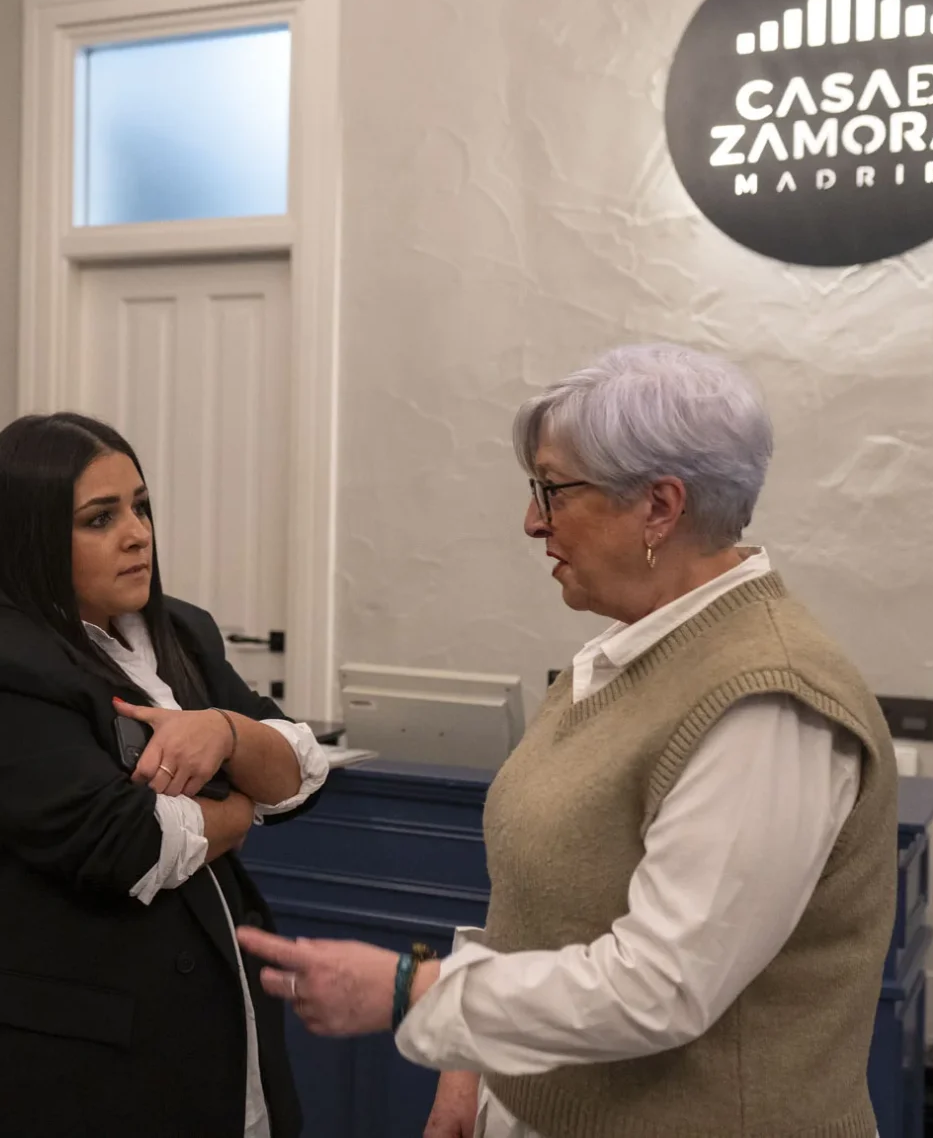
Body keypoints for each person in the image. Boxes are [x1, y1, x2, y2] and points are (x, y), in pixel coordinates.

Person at [239, 344, 898, 1138]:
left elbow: (661, 985)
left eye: (551, 489)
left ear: (658, 506)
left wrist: (409, 991)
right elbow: (546, 904)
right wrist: (473, 1063)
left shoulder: (766, 701)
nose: (531, 521)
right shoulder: (629, 653)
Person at [0, 412, 330, 1138]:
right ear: (31, 537)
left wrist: (223, 732)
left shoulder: (180, 632)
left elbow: (300, 769)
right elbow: (133, 844)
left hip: (216, 1037)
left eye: (140, 507)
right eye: (99, 519)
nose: (137, 534)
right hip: (75, 1068)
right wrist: (239, 800)